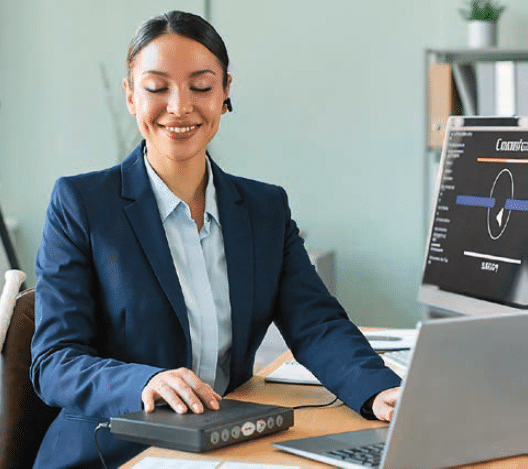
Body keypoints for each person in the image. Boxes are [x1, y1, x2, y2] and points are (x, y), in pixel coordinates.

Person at [30, 10, 402, 468]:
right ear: (130, 95)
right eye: (157, 87)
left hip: (224, 446)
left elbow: (316, 323)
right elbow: (54, 361)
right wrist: (144, 382)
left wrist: (380, 390)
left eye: (201, 87)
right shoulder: (82, 204)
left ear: (226, 92)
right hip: (115, 452)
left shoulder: (265, 208)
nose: (180, 106)